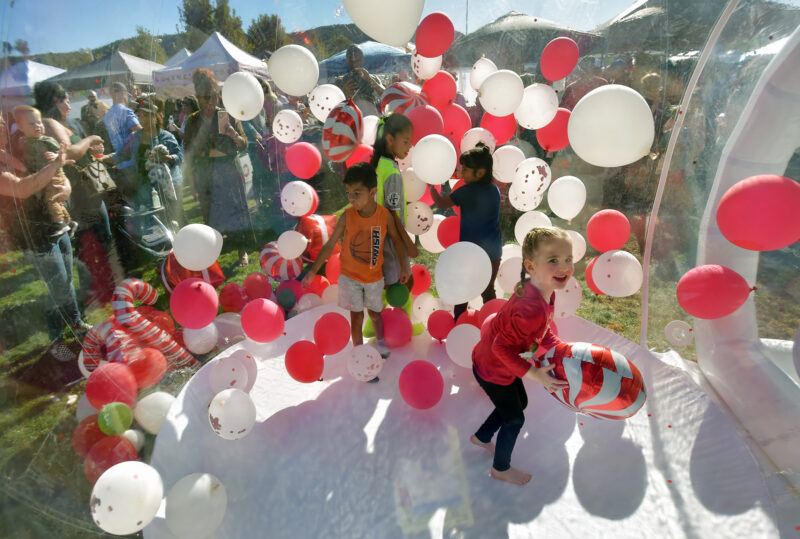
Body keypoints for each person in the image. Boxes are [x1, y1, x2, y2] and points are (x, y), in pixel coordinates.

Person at [471, 226, 572, 485]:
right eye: (553, 260)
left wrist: (560, 348)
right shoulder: (530, 307)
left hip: (501, 363)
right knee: (515, 419)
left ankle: (482, 437)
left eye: (568, 259)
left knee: (520, 403)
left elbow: (542, 330)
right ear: (531, 266)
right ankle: (500, 468)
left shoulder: (544, 289)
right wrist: (536, 374)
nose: (564, 267)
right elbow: (500, 348)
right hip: (492, 367)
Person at [302, 162, 409, 367]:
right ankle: (358, 352)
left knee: (375, 314)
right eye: (348, 193)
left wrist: (403, 267)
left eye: (357, 193)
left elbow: (397, 241)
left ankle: (380, 342)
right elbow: (330, 244)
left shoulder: (384, 216)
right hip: (350, 277)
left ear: (373, 192)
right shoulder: (347, 216)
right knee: (357, 317)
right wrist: (313, 270)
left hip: (373, 277)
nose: (351, 198)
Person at [183, 68, 252, 266]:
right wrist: (192, 184)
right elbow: (189, 154)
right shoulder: (192, 121)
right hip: (205, 176)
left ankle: (242, 251)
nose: (211, 102)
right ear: (197, 97)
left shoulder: (226, 115)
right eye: (206, 98)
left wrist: (234, 135)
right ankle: (213, 254)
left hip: (229, 174)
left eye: (214, 96)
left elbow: (244, 144)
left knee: (236, 213)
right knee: (210, 217)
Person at [429, 143, 501, 321]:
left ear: (480, 172)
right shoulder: (494, 190)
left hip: (470, 253)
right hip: (493, 252)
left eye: (466, 170)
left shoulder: (467, 192)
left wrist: (432, 187)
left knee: (462, 290)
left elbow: (441, 204)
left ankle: (458, 323)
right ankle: (495, 324)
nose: (462, 173)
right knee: (488, 290)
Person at [369, 112, 418, 290]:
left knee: (384, 288)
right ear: (390, 139)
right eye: (405, 141)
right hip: (390, 241)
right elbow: (392, 213)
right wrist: (407, 245)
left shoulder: (378, 165)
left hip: (377, 237)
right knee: (402, 287)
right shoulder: (391, 171)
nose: (409, 146)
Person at [12, 105, 76, 238]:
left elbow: (63, 153)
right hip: (42, 175)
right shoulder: (23, 141)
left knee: (51, 199)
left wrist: (56, 155)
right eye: (32, 124)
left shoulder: (48, 140)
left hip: (55, 175)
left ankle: (59, 223)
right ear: (21, 127)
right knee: (52, 201)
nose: (37, 126)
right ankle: (69, 222)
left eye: (39, 122)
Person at [103, 81, 142, 196]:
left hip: (120, 162)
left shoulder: (107, 115)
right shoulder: (126, 112)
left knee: (131, 197)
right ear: (123, 93)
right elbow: (139, 131)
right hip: (134, 161)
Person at [335, 44, 385, 117]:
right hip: (350, 119)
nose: (354, 59)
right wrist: (344, 94)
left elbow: (386, 95)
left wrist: (371, 81)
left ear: (363, 59)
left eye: (357, 59)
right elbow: (333, 107)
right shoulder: (340, 81)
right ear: (347, 60)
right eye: (351, 59)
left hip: (371, 118)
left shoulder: (373, 78)